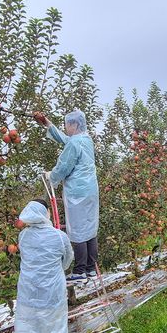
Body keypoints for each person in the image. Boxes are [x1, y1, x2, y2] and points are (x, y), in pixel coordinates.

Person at [12, 200, 75, 333]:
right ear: (46, 213)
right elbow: (68, 260)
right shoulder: (59, 236)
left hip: (28, 299)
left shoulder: (23, 236)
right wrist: (57, 271)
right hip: (53, 298)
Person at [35, 110, 99, 284]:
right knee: (90, 228)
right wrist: (48, 124)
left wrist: (51, 176)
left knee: (78, 230)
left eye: (67, 124)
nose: (66, 127)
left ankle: (79, 271)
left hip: (78, 193)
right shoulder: (86, 140)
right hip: (91, 191)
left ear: (75, 124)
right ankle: (91, 268)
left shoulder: (75, 144)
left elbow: (64, 166)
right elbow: (66, 140)